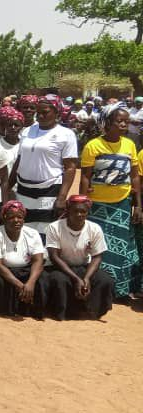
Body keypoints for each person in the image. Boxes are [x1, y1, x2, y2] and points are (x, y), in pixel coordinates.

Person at [79, 104, 142, 299]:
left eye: (126, 121)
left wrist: (137, 204)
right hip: (97, 205)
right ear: (107, 123)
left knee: (121, 247)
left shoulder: (130, 145)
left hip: (122, 203)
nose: (124, 124)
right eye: (119, 121)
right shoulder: (93, 145)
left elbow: (135, 177)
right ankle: (98, 288)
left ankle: (120, 290)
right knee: (98, 247)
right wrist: (83, 201)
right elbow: (85, 177)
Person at [11, 95, 79, 232]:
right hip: (24, 189)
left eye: (45, 112)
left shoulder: (65, 134)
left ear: (57, 113)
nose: (40, 116)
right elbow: (20, 159)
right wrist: (8, 185)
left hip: (50, 190)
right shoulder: (27, 131)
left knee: (45, 230)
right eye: (38, 112)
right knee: (25, 229)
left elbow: (70, 168)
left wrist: (62, 197)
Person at [45, 196, 114, 319]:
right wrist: (76, 279)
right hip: (61, 267)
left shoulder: (94, 228)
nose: (79, 214)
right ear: (68, 211)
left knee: (105, 280)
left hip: (83, 266)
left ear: (88, 212)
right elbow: (54, 257)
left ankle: (91, 311)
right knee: (59, 280)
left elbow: (97, 256)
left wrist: (86, 278)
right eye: (75, 211)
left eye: (83, 211)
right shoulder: (54, 227)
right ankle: (65, 313)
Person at [0, 201, 49, 318]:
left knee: (43, 278)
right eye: (11, 217)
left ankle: (33, 311)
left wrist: (30, 283)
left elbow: (38, 260)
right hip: (0, 270)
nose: (16, 220)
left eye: (19, 217)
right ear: (4, 218)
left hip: (25, 269)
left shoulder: (32, 234)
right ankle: (1, 309)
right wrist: (20, 285)